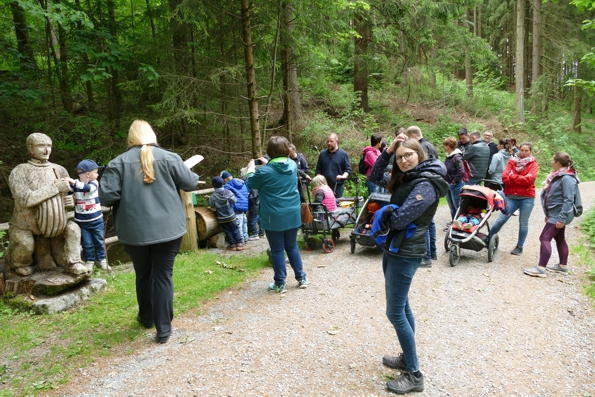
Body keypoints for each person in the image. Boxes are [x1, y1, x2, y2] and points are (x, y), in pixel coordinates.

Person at [98, 120, 199, 344]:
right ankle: (163, 329)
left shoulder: (117, 163)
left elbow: (106, 197)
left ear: (130, 138)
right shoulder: (170, 158)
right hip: (169, 229)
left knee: (143, 273)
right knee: (163, 276)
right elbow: (190, 183)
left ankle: (146, 317)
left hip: (134, 232)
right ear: (152, 135)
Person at [367, 138, 448, 394]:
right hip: (393, 247)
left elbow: (402, 218)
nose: (403, 160)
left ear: (420, 154)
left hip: (406, 251)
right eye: (400, 157)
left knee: (395, 313)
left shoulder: (426, 182)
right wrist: (388, 151)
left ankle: (414, 374)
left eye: (408, 155)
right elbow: (375, 174)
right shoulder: (407, 176)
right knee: (402, 306)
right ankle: (406, 357)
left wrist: (384, 213)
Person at [5, 133, 88, 276]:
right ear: (30, 149)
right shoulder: (20, 171)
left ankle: (74, 262)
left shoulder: (59, 169)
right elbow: (26, 199)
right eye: (41, 146)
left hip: (56, 224)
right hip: (26, 225)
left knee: (73, 229)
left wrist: (70, 201)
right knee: (26, 245)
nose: (46, 150)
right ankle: (19, 263)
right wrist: (55, 188)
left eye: (49, 146)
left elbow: (66, 195)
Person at [246, 136, 308, 293]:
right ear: (286, 150)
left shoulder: (264, 172)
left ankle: (280, 283)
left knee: (277, 250)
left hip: (273, 216)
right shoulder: (293, 165)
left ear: (269, 152)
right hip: (293, 213)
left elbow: (251, 183)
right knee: (292, 246)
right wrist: (268, 166)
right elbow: (278, 169)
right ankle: (301, 278)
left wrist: (251, 170)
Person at [524, 152, 581, 277]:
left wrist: (561, 218)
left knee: (544, 238)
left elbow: (568, 200)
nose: (551, 161)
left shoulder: (567, 178)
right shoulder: (560, 175)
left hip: (559, 214)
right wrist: (549, 213)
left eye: (552, 159)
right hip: (555, 213)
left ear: (558, 163)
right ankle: (562, 266)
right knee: (559, 238)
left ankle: (541, 268)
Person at [488, 142, 538, 256]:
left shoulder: (533, 164)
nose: (524, 153)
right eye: (522, 150)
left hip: (527, 197)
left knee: (523, 223)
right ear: (519, 150)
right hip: (511, 196)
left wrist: (513, 177)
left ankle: (519, 246)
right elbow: (505, 178)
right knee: (501, 219)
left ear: (530, 152)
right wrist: (521, 178)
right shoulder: (512, 161)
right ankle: (488, 238)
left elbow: (530, 180)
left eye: (526, 151)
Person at [65, 159, 108, 272]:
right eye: (96, 172)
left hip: (96, 220)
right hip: (82, 222)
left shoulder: (94, 183)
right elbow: (66, 191)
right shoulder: (74, 185)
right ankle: (89, 261)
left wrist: (73, 182)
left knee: (99, 240)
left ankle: (102, 260)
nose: (98, 174)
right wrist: (62, 183)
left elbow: (88, 189)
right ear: (88, 174)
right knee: (87, 243)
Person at [405, 126, 438, 266]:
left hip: (425, 187)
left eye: (408, 138)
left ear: (413, 135)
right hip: (433, 186)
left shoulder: (422, 148)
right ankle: (433, 252)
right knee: (429, 222)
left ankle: (426, 257)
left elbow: (419, 168)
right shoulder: (430, 145)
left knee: (422, 223)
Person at [207, 177, 247, 251]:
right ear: (223, 184)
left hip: (221, 217)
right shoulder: (228, 192)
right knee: (235, 229)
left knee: (227, 231)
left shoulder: (213, 196)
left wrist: (208, 199)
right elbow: (234, 201)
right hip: (231, 215)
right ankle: (240, 244)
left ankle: (232, 245)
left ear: (213, 186)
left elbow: (212, 205)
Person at [315, 133, 352, 198]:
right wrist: (318, 178)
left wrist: (343, 176)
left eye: (331, 141)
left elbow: (348, 169)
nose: (329, 143)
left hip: (337, 187)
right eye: (328, 141)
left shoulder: (343, 154)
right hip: (324, 187)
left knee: (337, 207)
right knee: (324, 206)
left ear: (336, 141)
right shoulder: (322, 154)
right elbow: (318, 169)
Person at [442, 137, 465, 230]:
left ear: (448, 146)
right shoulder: (449, 156)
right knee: (452, 207)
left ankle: (458, 224)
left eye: (445, 145)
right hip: (448, 184)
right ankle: (453, 222)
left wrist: (454, 182)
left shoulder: (457, 157)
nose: (444, 147)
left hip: (455, 185)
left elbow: (461, 171)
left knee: (457, 206)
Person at [221, 170, 249, 244]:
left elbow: (226, 196)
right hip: (244, 206)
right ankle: (245, 237)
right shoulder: (241, 182)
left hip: (236, 207)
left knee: (238, 225)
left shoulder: (228, 185)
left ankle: (241, 241)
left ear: (225, 179)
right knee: (244, 223)